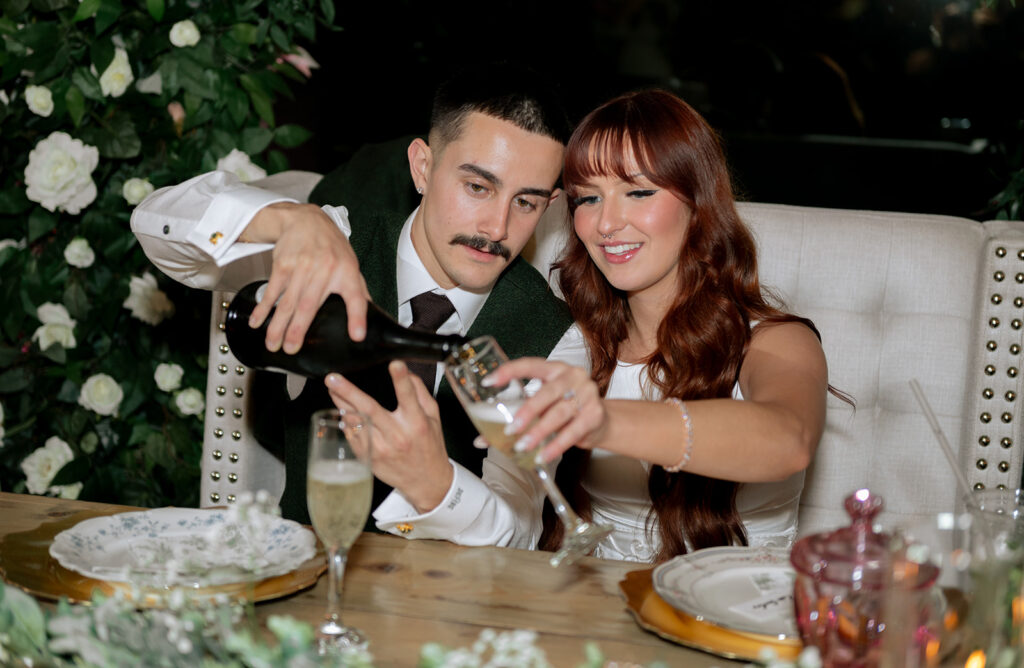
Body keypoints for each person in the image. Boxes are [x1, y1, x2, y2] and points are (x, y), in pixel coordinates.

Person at [343, 89, 832, 562]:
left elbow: (788, 440)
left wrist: (603, 420)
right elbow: (515, 523)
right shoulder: (575, 344)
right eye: (588, 199)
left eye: (638, 192)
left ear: (698, 202)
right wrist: (435, 485)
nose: (606, 224)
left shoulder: (775, 341)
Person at [130, 63, 576, 523]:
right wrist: (290, 220)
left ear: (549, 205)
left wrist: (436, 486)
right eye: (478, 187)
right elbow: (154, 223)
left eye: (525, 202)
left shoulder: (556, 335)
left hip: (452, 590)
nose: (497, 228)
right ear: (422, 168)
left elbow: (518, 527)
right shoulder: (334, 249)